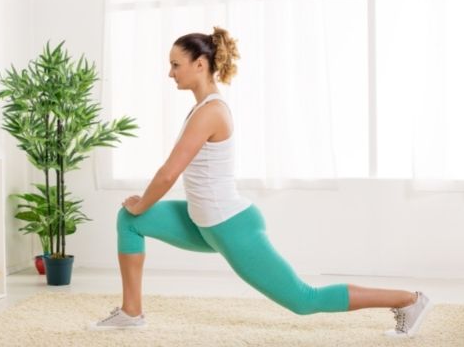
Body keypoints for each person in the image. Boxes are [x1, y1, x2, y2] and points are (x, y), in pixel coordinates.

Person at [89, 27, 432, 337]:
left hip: (230, 226)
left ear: (200, 64)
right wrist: (138, 209)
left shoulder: (211, 111)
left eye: (176, 64)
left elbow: (168, 173)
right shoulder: (200, 109)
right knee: (129, 221)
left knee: (303, 299)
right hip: (203, 221)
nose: (170, 72)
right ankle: (131, 312)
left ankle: (409, 300)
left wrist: (142, 202)